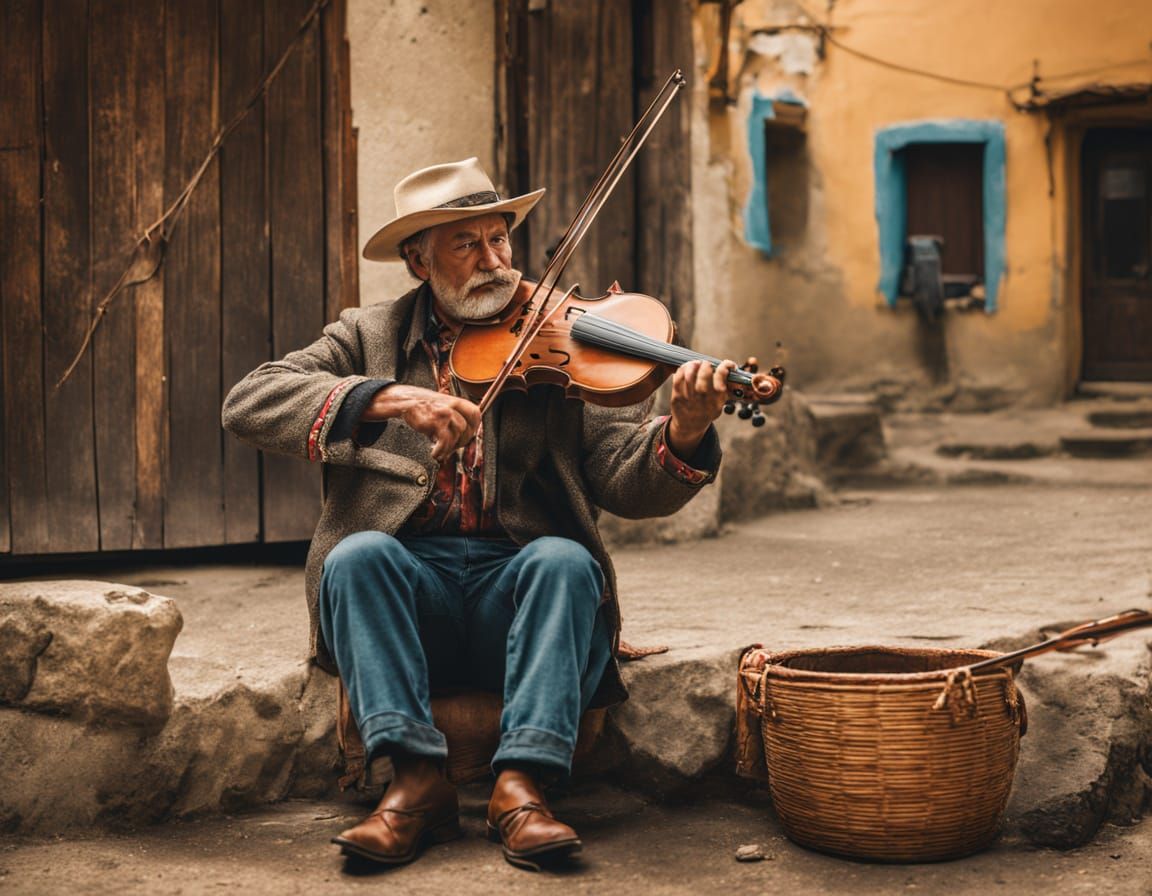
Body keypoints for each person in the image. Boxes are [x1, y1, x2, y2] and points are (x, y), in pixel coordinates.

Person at [221, 157, 737, 871]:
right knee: (356, 556)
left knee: (566, 559)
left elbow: (628, 481)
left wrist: (682, 432)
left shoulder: (565, 337)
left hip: (520, 592)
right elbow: (249, 401)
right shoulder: (368, 337)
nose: (495, 262)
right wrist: (389, 399)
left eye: (501, 239)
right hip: (410, 597)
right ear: (417, 260)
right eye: (467, 245)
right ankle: (414, 785)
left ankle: (522, 789)